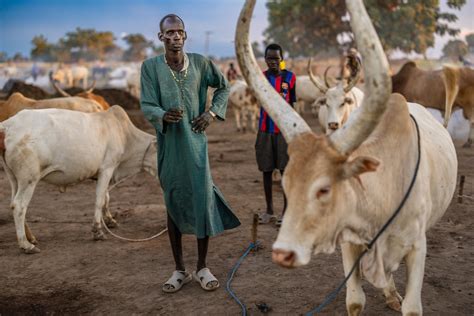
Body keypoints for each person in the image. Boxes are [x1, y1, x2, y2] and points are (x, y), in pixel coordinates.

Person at [140, 14, 240, 294]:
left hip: (196, 145)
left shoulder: (200, 63)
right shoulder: (150, 67)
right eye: (169, 32)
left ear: (186, 35)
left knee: (201, 199)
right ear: (161, 37)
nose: (175, 36)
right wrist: (162, 114)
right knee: (173, 200)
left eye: (180, 32)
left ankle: (203, 267)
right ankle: (179, 269)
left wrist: (211, 113)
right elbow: (147, 105)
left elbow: (224, 86)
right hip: (169, 146)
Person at [255, 43, 296, 227]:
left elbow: (292, 105)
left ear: (281, 60)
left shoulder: (290, 78)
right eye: (269, 58)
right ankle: (269, 210)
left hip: (283, 132)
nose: (273, 62)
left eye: (276, 59)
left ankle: (287, 212)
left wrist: (293, 130)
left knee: (285, 171)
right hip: (265, 130)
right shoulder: (260, 78)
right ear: (265, 59)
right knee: (266, 170)